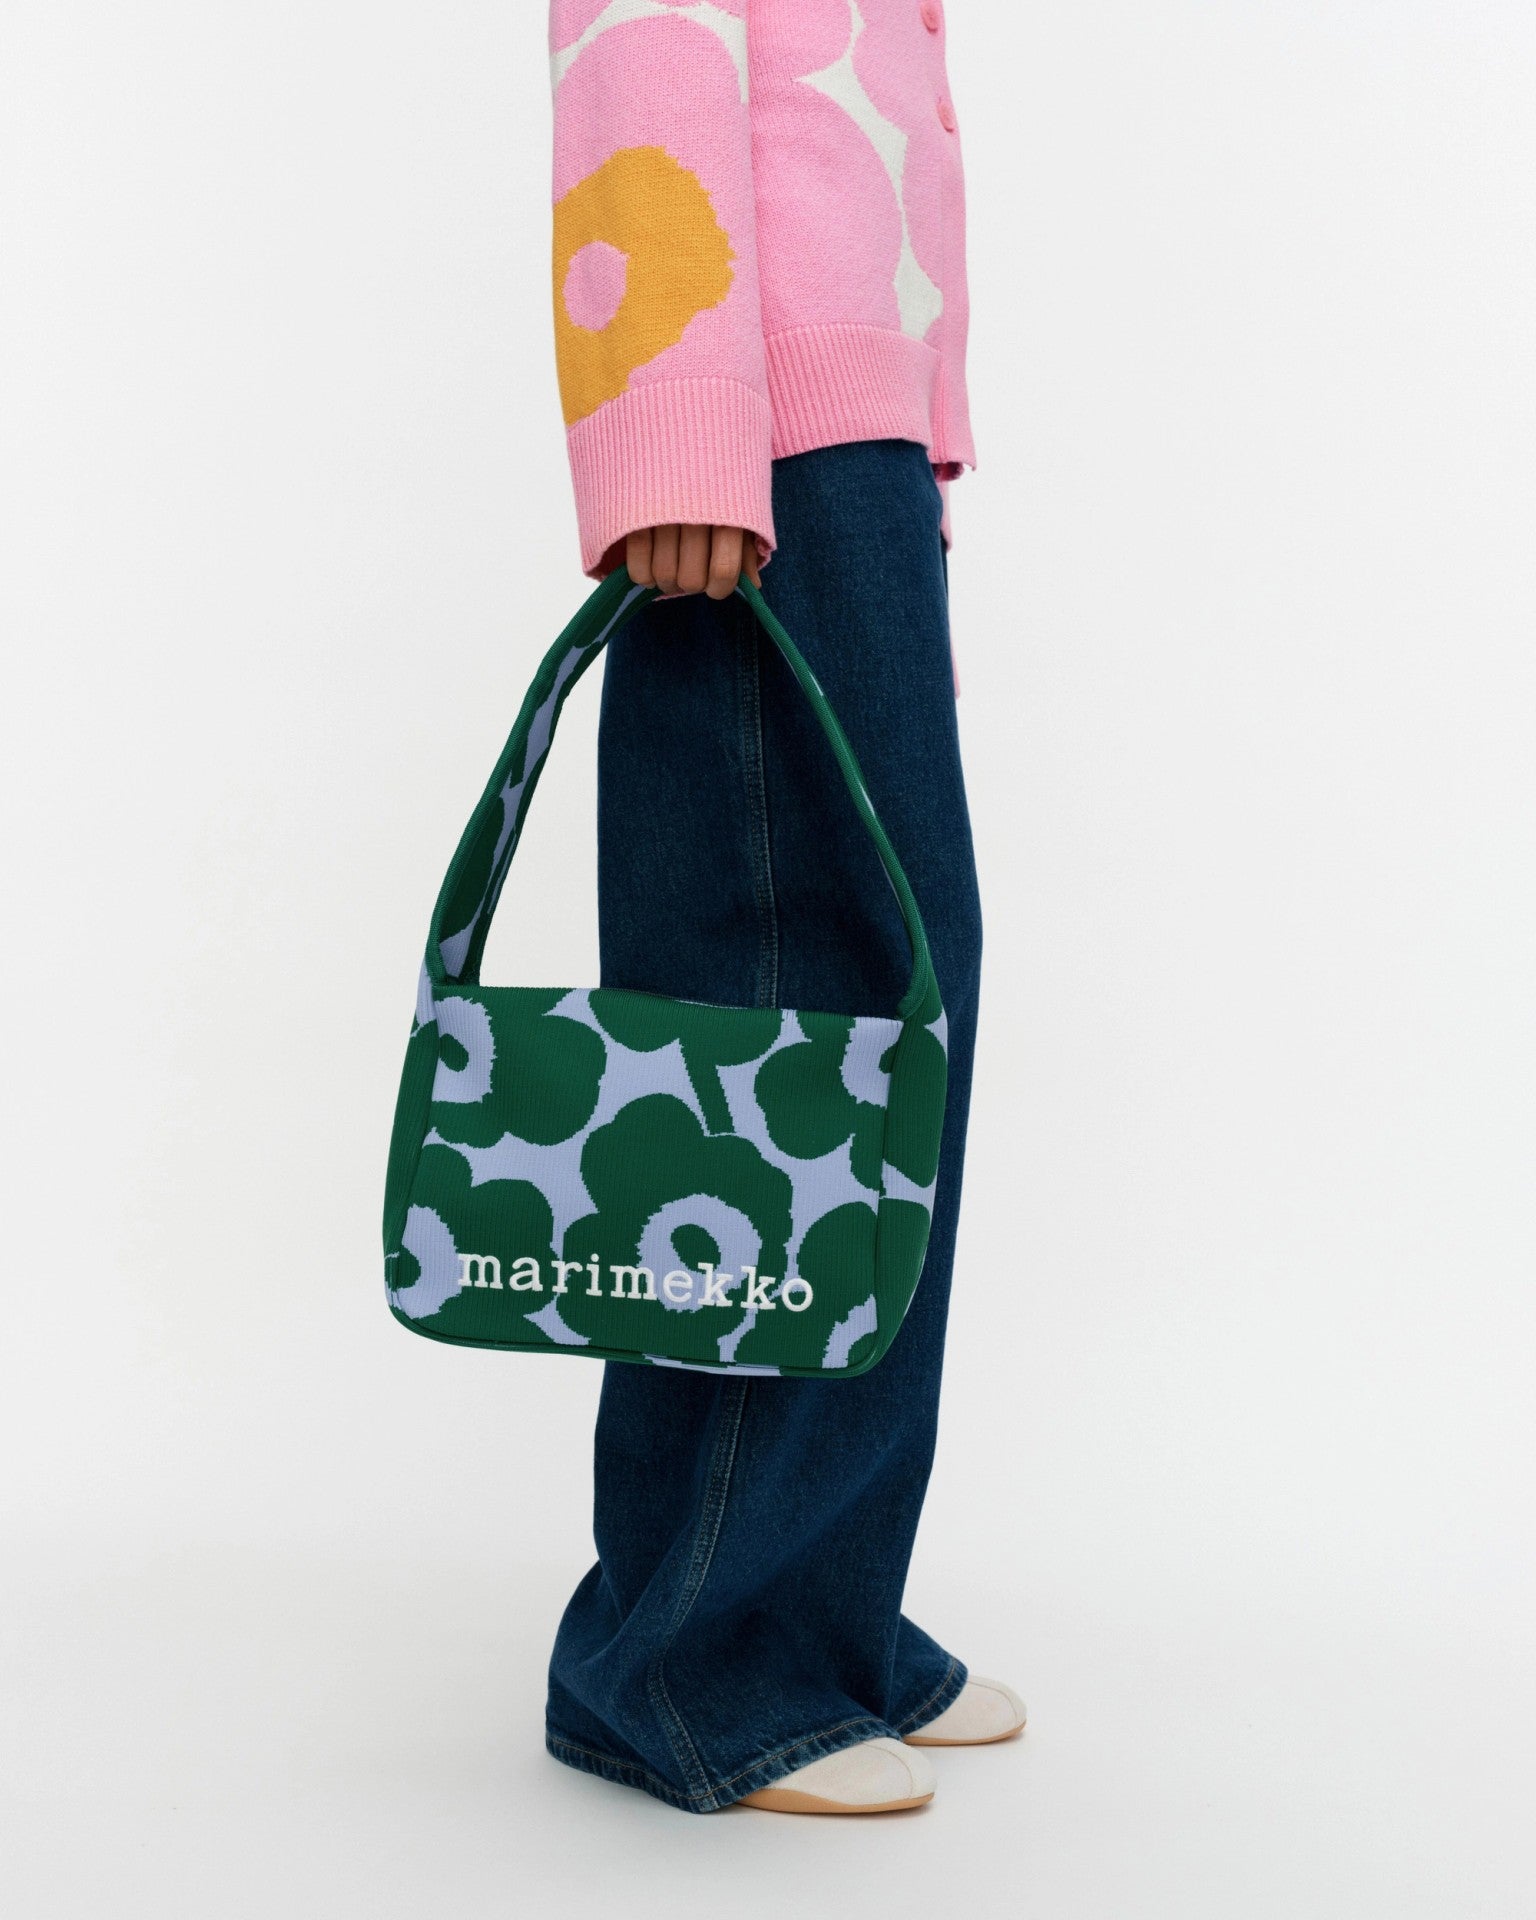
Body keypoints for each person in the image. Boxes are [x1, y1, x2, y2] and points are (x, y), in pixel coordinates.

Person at [542, 0, 1021, 1815]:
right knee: (775, 1031)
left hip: (844, 435)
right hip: (756, 444)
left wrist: (907, 434)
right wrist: (678, 427)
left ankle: (819, 1611)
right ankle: (694, 1658)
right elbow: (641, 44)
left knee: (884, 1009)